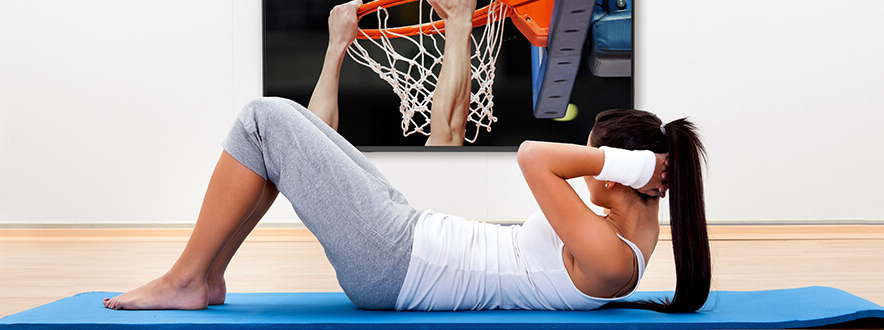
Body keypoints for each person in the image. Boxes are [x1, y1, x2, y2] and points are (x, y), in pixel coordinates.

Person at [104, 0, 711, 313]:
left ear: (626, 174)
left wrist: (628, 164)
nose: (585, 173)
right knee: (290, 139)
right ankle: (204, 278)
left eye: (593, 164)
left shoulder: (614, 261)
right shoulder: (615, 239)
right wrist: (629, 166)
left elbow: (531, 156)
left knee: (263, 116)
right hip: (410, 234)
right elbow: (550, 163)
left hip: (398, 264)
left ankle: (187, 279)